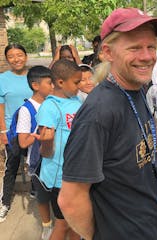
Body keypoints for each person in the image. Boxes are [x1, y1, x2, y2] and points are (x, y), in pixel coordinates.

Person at [58, 8, 157, 240]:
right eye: (134, 48)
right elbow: (70, 200)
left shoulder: (136, 88)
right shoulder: (98, 112)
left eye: (151, 46)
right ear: (108, 52)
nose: (147, 56)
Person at [36, 59, 82, 240]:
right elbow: (46, 152)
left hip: (78, 172)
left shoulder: (75, 100)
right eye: (76, 82)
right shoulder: (50, 107)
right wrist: (46, 142)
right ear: (61, 82)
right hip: (60, 177)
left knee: (76, 223)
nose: (79, 86)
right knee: (63, 224)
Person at [17, 66, 54, 240]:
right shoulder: (27, 109)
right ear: (35, 85)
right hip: (38, 161)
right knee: (42, 196)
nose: (53, 86)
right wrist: (40, 133)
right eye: (49, 82)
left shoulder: (53, 103)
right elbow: (23, 141)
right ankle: (47, 226)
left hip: (55, 157)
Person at [0, 44, 32, 222]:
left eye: (19, 55)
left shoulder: (33, 76)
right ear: (7, 60)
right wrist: (3, 130)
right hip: (12, 131)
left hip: (33, 130)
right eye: (11, 56)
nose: (16, 59)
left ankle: (37, 192)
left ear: (26, 56)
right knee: (11, 166)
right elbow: (1, 107)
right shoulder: (2, 79)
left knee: (36, 164)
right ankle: (5, 202)